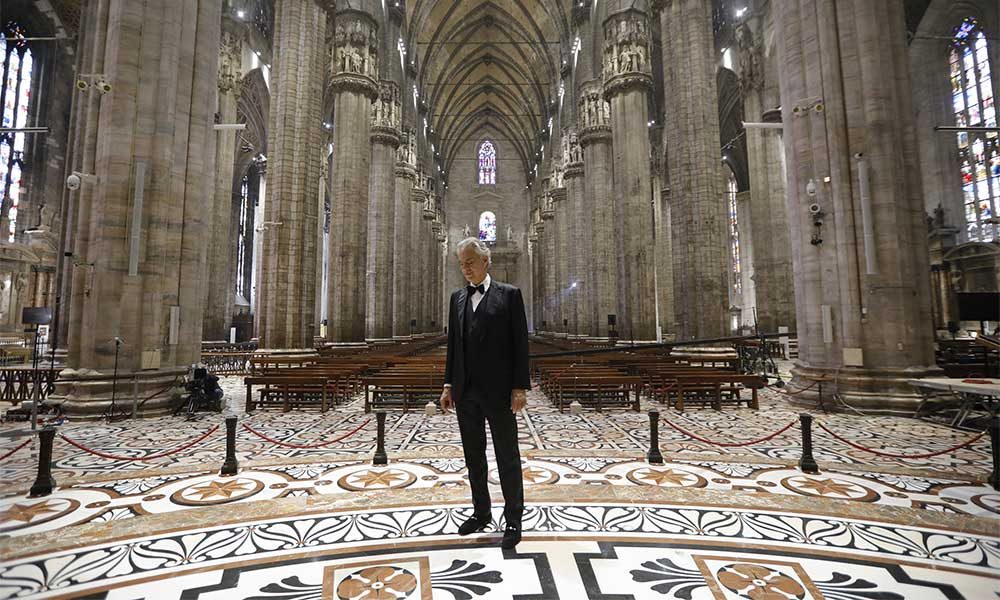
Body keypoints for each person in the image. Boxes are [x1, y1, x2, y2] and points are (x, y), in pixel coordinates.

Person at [440, 237, 530, 549]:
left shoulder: (510, 295)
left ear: (485, 261)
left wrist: (519, 387)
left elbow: (520, 345)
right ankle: (481, 511)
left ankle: (514, 518)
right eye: (461, 263)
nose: (465, 268)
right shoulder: (457, 299)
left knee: (507, 457)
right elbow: (454, 346)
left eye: (470, 262)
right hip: (466, 393)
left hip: (499, 392)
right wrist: (449, 385)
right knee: (474, 457)